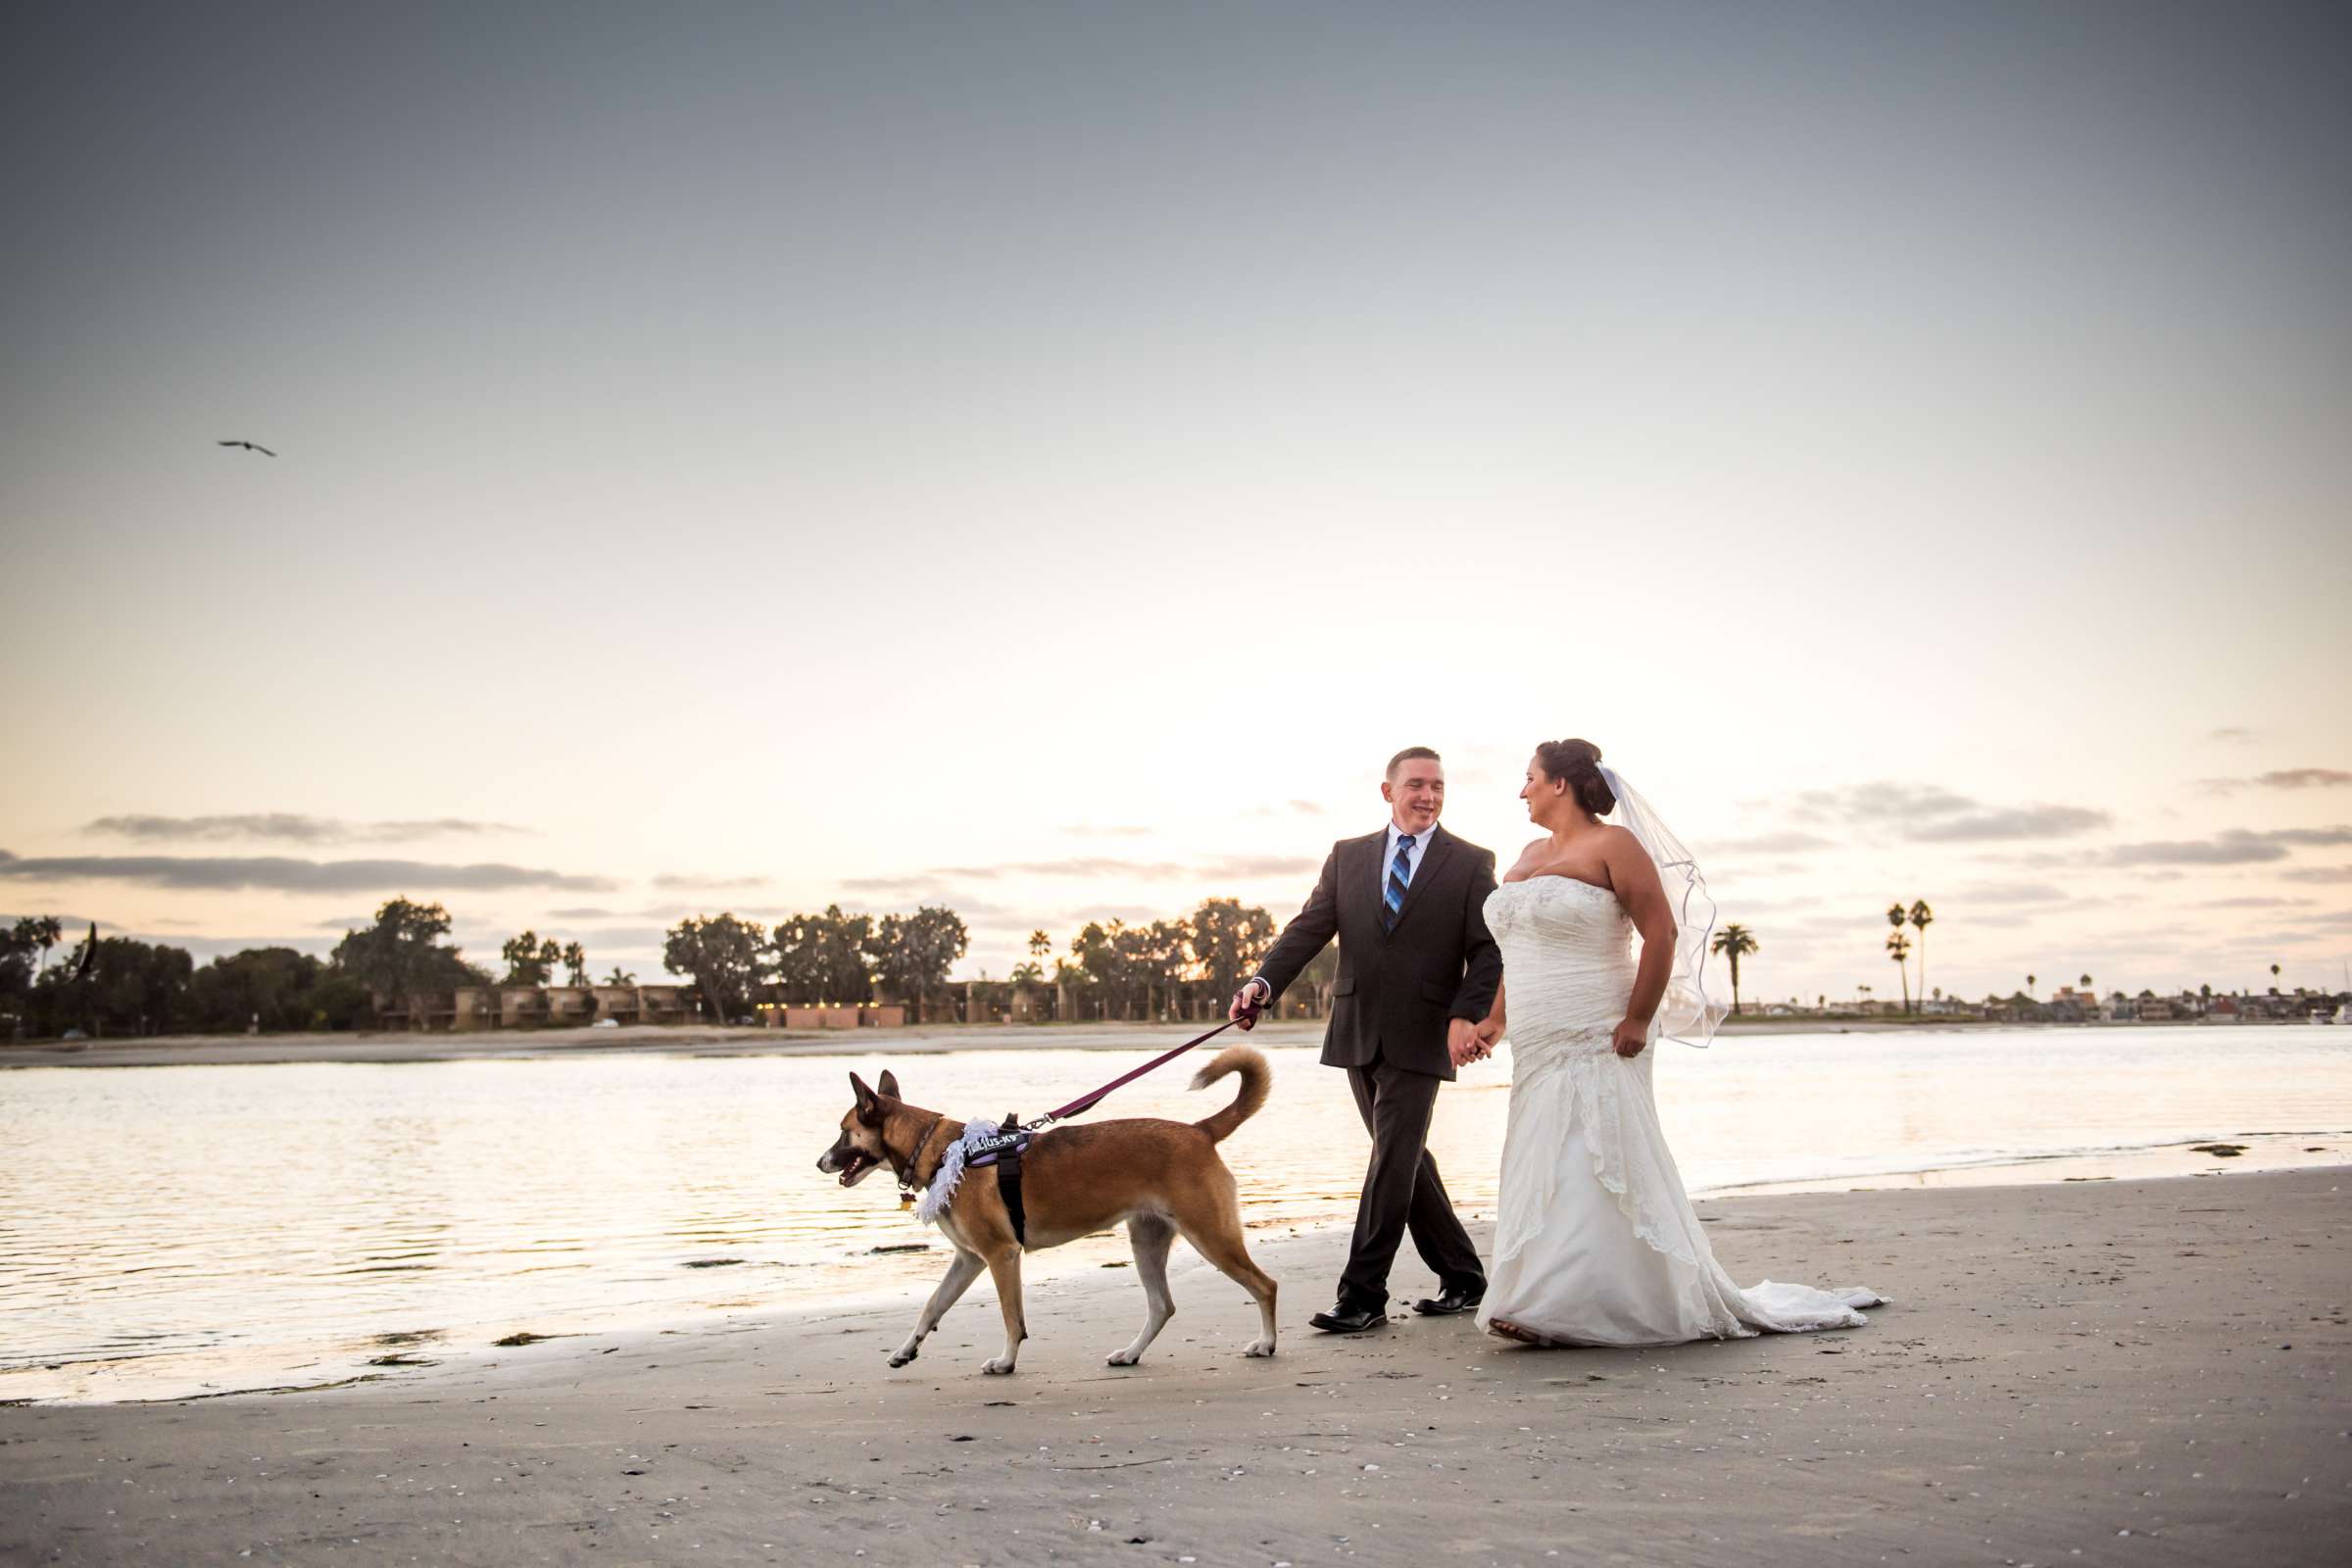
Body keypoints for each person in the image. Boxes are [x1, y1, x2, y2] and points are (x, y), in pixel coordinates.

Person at [1470, 737, 1882, 1346]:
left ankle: (1574, 1305)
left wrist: (1639, 1018)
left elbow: (1659, 933)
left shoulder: (1616, 845)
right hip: (1537, 1035)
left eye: (1530, 777)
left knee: (1595, 1155)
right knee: (1539, 1154)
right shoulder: (1527, 853)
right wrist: (1495, 1019)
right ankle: (1533, 1293)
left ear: (1560, 784)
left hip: (1598, 1023)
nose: (1522, 789)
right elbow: (1516, 953)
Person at [1231, 746, 1501, 1333]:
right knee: (1404, 1160)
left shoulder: (1471, 862)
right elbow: (1309, 927)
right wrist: (1262, 982)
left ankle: (1363, 1294)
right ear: (1388, 791)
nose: (1427, 796)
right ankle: (1464, 1276)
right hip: (1356, 1027)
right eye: (1416, 785)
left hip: (1427, 1031)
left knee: (1390, 1158)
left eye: (1437, 786)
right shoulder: (1348, 856)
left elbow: (1487, 950)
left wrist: (1467, 1014)